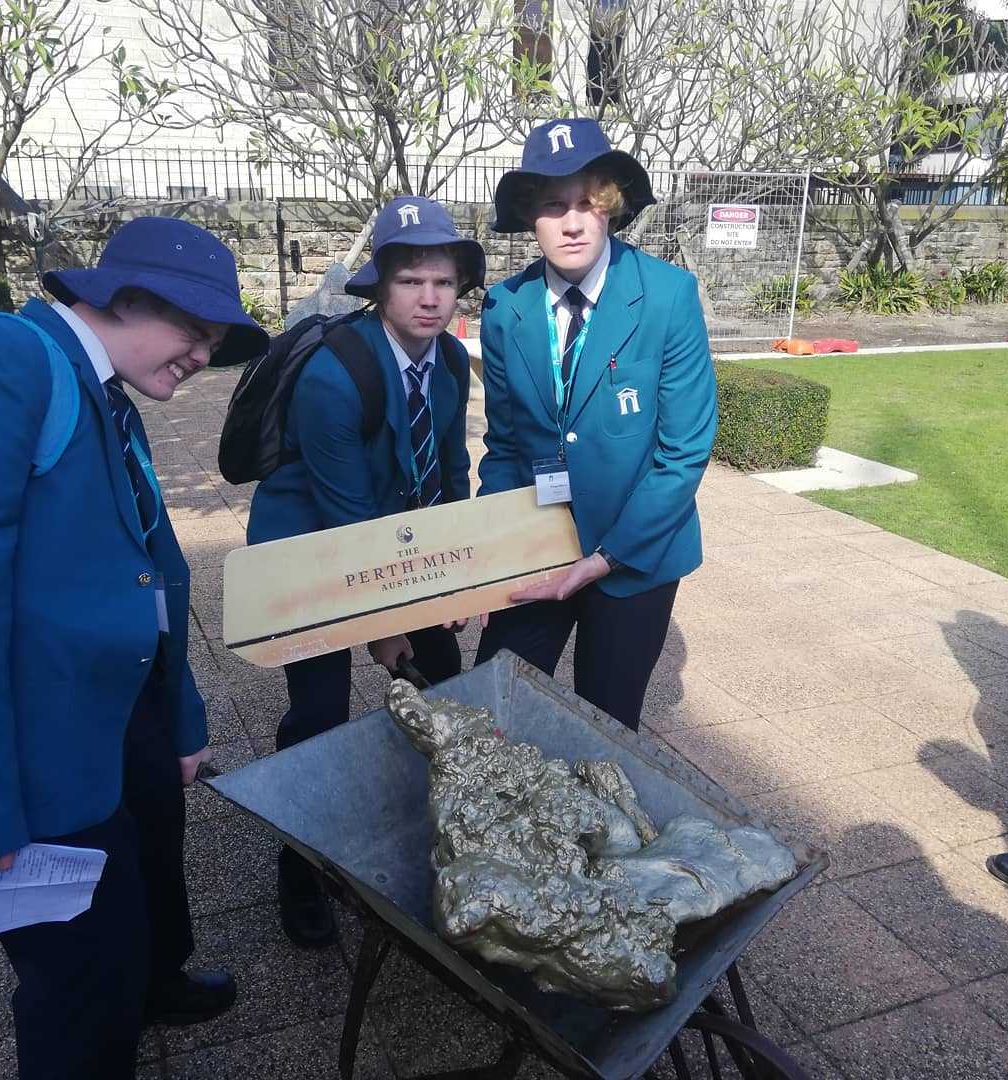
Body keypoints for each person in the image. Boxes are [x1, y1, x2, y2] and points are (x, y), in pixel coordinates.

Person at [0, 216, 269, 1080]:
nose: (203, 355)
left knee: (147, 883)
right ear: (124, 297)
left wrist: (179, 718)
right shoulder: (3, 359)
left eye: (215, 341)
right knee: (82, 979)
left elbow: (154, 564)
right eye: (194, 328)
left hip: (126, 709)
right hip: (43, 740)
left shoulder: (109, 392)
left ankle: (157, 984)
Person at [246, 195, 484, 946]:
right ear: (379, 286)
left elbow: (451, 470)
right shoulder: (334, 375)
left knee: (442, 676)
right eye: (410, 280)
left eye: (443, 282)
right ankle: (299, 872)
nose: (429, 298)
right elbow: (346, 519)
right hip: (311, 546)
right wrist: (382, 628)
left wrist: (453, 578)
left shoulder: (451, 361)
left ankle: (434, 834)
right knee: (318, 716)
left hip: (394, 537)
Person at [474, 118, 718, 732]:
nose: (573, 222)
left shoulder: (667, 295)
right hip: (539, 545)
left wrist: (605, 557)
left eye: (586, 202)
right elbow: (504, 445)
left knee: (605, 729)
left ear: (609, 206)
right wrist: (495, 553)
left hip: (634, 556)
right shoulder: (504, 308)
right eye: (554, 206)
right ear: (531, 217)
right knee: (492, 711)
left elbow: (683, 453)